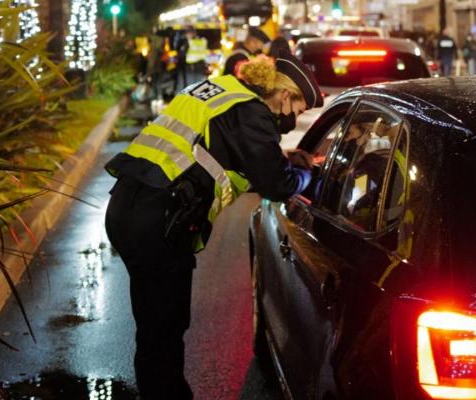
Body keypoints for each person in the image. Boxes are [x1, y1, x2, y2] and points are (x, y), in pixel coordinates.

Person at [104, 52, 323, 400]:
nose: (293, 121)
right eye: (296, 111)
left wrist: (281, 166)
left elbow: (223, 156)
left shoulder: (221, 90)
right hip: (157, 221)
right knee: (164, 327)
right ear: (285, 95)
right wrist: (308, 176)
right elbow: (277, 185)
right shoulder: (252, 113)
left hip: (127, 207)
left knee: (154, 326)